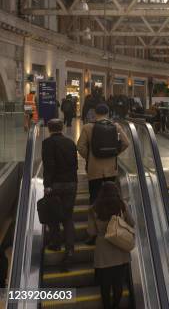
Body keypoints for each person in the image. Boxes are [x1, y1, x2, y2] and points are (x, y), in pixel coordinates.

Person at [87, 182, 134, 309]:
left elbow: (91, 232)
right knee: (118, 284)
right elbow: (132, 222)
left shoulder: (93, 208)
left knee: (105, 286)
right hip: (120, 250)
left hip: (103, 254)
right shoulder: (121, 205)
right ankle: (116, 306)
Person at [77, 103, 129, 209]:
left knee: (94, 196)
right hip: (111, 169)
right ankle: (110, 221)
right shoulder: (115, 126)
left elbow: (80, 146)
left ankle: (95, 221)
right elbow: (126, 143)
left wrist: (90, 156)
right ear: (108, 113)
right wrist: (115, 153)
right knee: (110, 196)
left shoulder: (87, 127)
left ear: (95, 113)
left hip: (94, 169)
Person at [42, 119, 78, 261]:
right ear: (62, 128)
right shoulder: (70, 142)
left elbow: (48, 165)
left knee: (53, 216)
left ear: (49, 129)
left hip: (55, 184)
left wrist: (47, 185)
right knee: (68, 217)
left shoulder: (47, 143)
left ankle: (56, 243)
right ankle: (70, 248)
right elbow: (75, 164)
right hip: (71, 183)